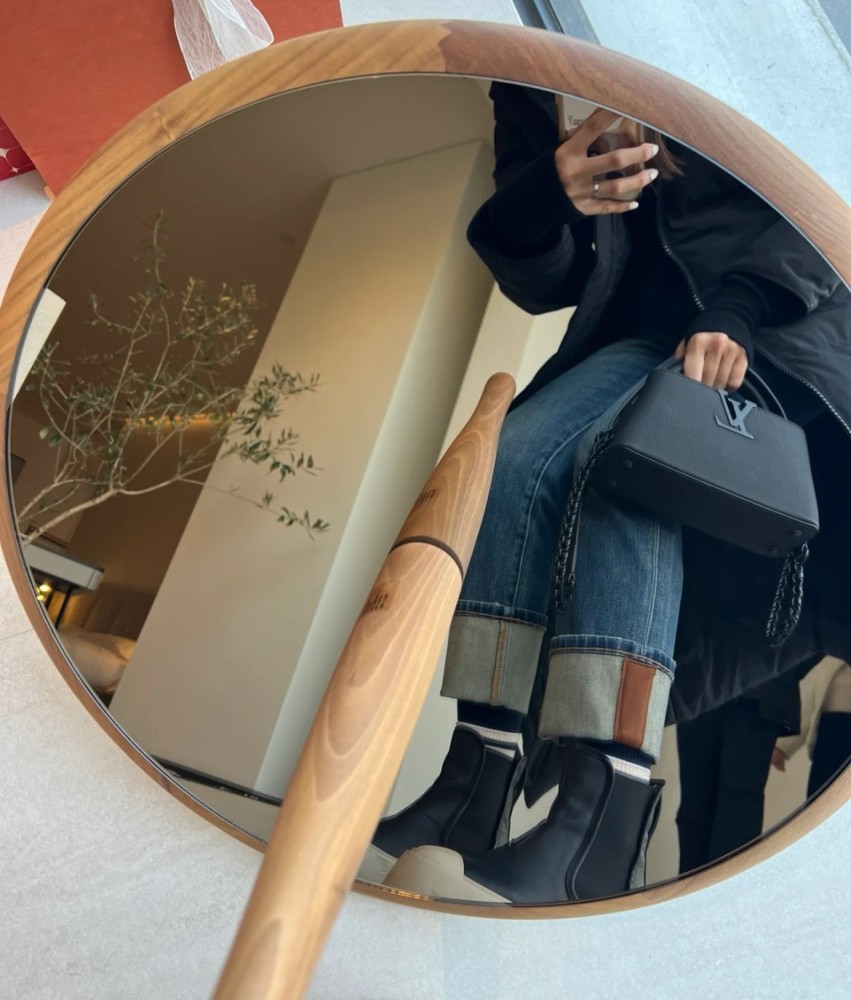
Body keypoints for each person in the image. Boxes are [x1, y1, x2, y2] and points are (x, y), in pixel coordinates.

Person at [359, 83, 851, 904]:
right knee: (515, 459)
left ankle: (598, 825)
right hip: (637, 331)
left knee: (629, 469)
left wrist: (737, 307)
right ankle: (472, 786)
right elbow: (549, 277)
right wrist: (547, 194)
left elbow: (822, 184)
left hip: (774, 329)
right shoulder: (525, 69)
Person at [675, 657, 819, 874]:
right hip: (701, 680)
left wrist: (783, 664)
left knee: (736, 809)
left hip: (761, 684)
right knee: (695, 807)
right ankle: (691, 891)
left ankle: (725, 892)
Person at [772, 658, 851, 799]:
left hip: (835, 735)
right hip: (830, 739)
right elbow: (807, 703)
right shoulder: (828, 660)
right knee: (823, 796)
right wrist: (783, 747)